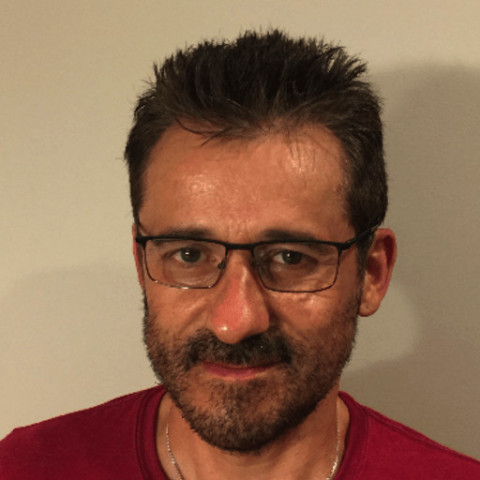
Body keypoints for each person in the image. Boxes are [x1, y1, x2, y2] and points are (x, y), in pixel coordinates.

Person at [1, 29, 479, 480]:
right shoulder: (24, 467)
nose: (235, 322)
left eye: (290, 258)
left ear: (372, 273)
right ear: (141, 265)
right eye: (189, 254)